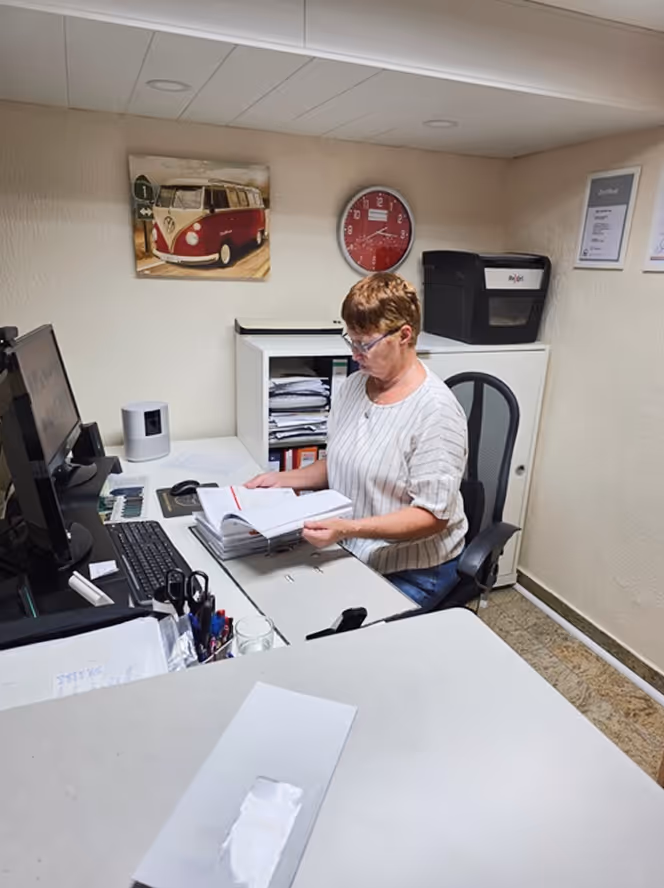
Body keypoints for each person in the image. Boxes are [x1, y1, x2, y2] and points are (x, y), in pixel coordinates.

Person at [246, 272, 468, 607]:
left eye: (364, 344)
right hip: (354, 548)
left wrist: (348, 528)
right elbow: (340, 459)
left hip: (415, 568)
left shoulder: (435, 411)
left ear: (404, 335)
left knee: (339, 639)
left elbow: (432, 517)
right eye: (350, 341)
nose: (354, 354)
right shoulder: (353, 386)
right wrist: (279, 480)